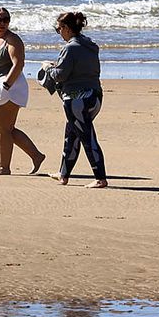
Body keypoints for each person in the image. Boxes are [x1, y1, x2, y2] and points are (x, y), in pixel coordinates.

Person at [37, 10, 108, 188]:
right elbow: (81, 70)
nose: (59, 32)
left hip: (77, 100)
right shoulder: (90, 45)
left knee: (87, 138)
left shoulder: (70, 48)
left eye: (59, 28)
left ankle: (100, 178)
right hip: (95, 96)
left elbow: (60, 75)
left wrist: (47, 68)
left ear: (67, 28)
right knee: (71, 135)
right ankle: (63, 174)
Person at [0, 7, 45, 175]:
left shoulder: (12, 40)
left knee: (2, 128)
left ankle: (4, 167)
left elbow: (18, 64)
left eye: (5, 19)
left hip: (10, 86)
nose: (2, 23)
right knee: (6, 128)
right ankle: (36, 156)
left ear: (9, 21)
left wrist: (5, 86)